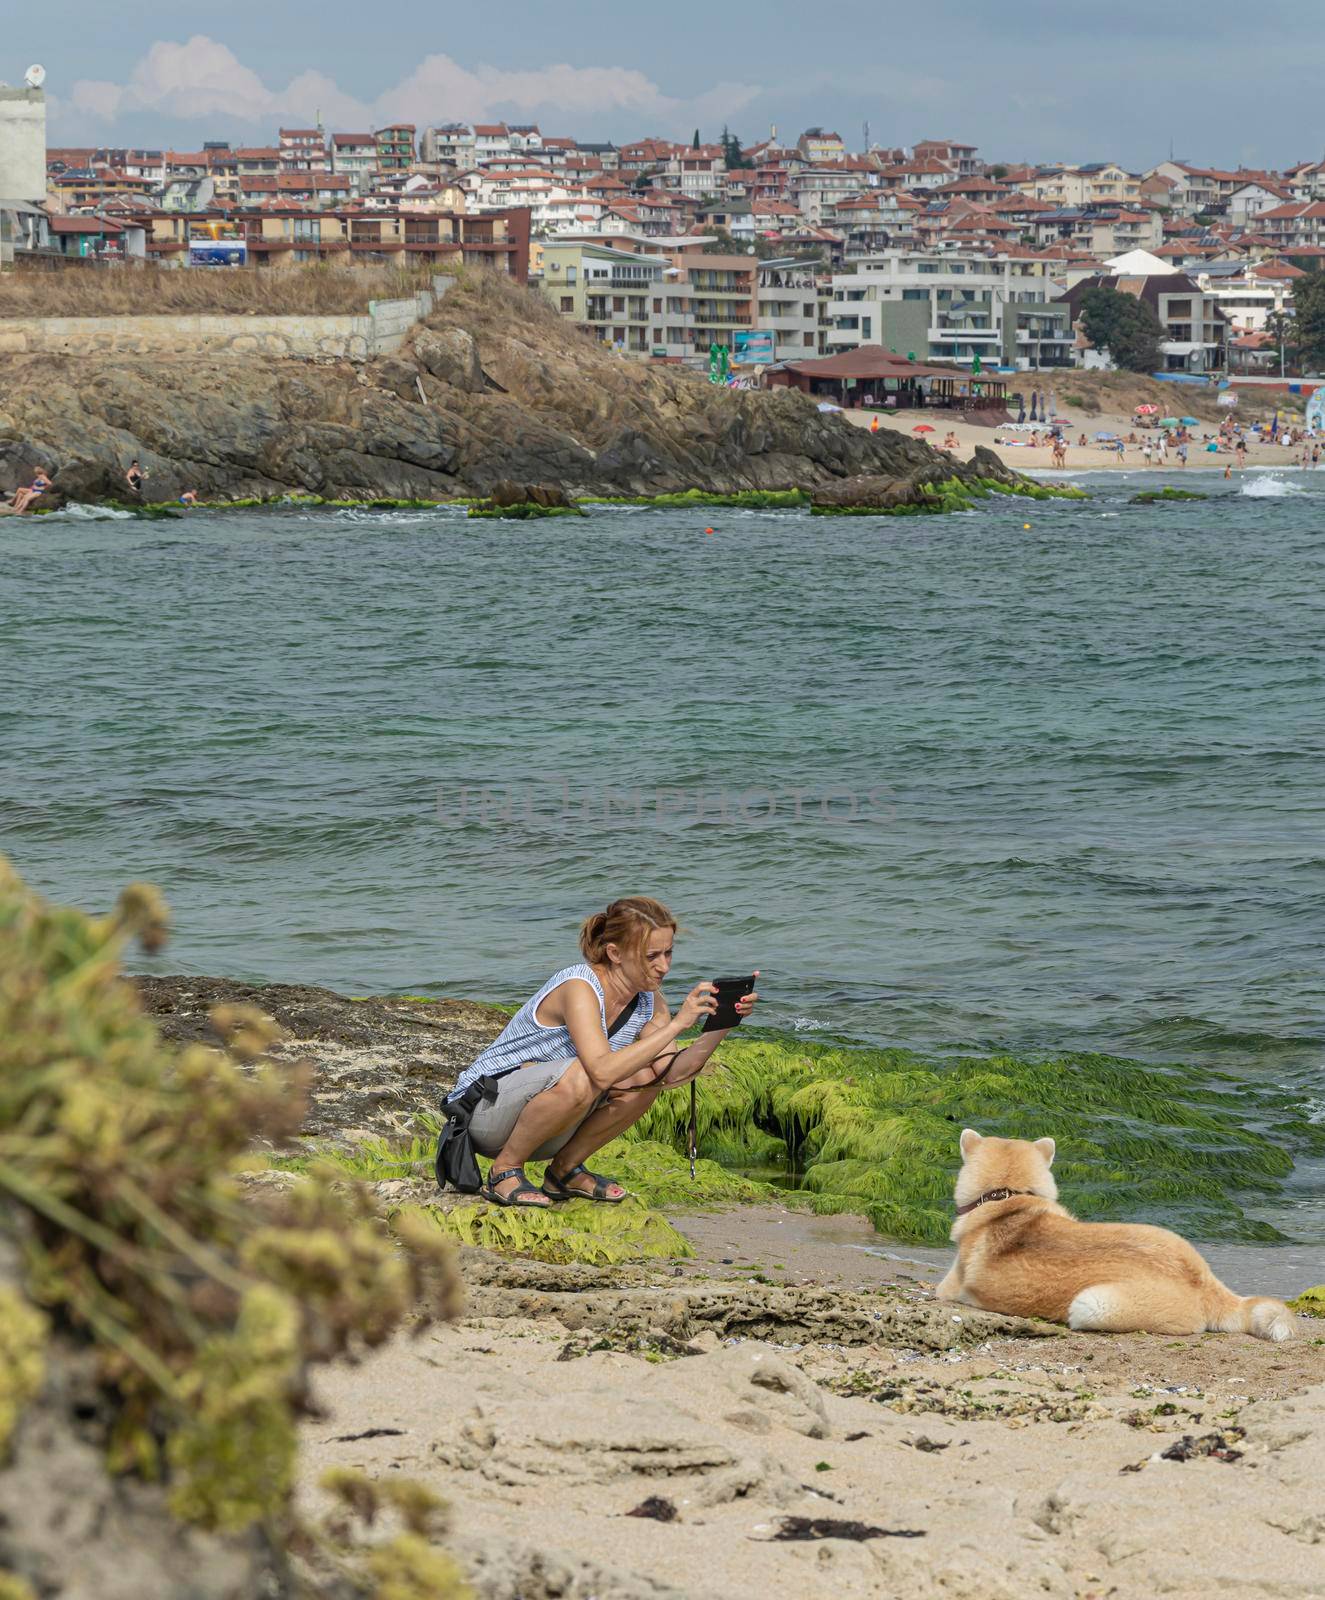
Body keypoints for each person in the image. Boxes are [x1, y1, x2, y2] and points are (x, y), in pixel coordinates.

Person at [446, 897, 759, 1207]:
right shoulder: (579, 986)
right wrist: (677, 1025)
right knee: (586, 1072)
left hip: (549, 1121)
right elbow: (600, 1070)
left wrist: (722, 1022)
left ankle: (564, 1171)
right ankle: (504, 1171)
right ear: (615, 953)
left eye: (668, 953)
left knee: (646, 1079)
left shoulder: (650, 1001)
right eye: (651, 956)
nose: (664, 966)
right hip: (484, 1114)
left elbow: (671, 1075)